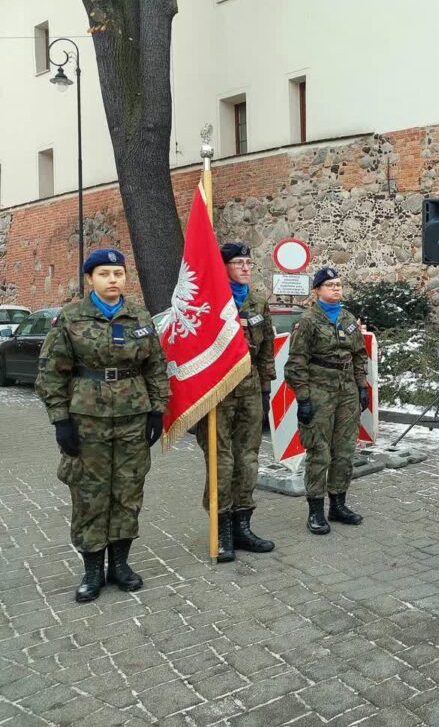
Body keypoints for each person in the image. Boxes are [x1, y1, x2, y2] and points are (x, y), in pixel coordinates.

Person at [35, 248, 169, 602]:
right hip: (86, 421)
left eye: (119, 273)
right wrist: (60, 420)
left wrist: (157, 410)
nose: (113, 280)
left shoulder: (139, 317)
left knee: (127, 491)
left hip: (132, 418)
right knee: (90, 495)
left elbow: (155, 367)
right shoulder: (71, 317)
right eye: (105, 274)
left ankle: (120, 566)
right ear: (89, 279)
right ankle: (93, 570)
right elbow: (51, 373)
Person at [194, 242, 276, 562]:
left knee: (248, 459)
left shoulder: (257, 301)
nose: (245, 267)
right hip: (218, 389)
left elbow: (267, 345)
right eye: (238, 263)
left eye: (248, 262)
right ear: (223, 267)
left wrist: (266, 388)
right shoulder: (209, 301)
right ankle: (222, 528)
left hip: (250, 386)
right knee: (221, 461)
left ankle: (243, 525)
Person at [284, 267, 370, 534]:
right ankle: (315, 511)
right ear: (317, 290)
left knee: (344, 451)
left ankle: (338, 504)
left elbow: (358, 354)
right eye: (330, 285)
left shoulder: (347, 317)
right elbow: (296, 362)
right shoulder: (308, 321)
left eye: (339, 284)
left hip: (346, 392)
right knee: (319, 452)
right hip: (319, 391)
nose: (336, 289)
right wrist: (303, 397)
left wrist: (361, 386)